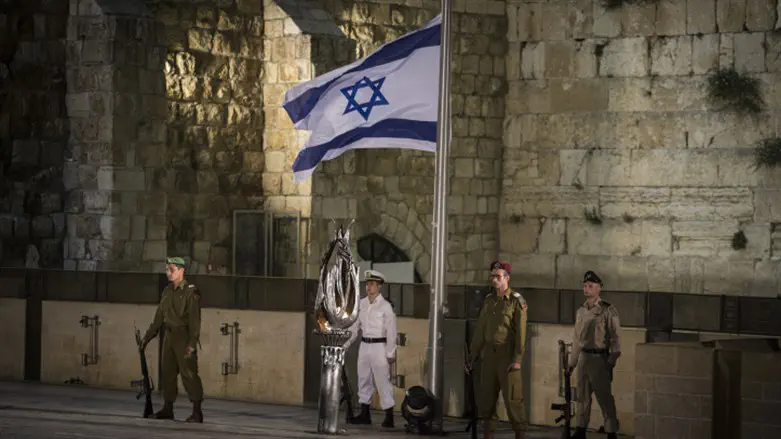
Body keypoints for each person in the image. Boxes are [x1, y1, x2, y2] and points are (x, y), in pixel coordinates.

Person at [466, 261, 528, 439]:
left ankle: (520, 434)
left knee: (513, 401)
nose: (494, 279)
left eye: (498, 276)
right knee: (487, 401)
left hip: (507, 355)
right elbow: (480, 330)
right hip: (488, 356)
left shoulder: (516, 301)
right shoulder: (488, 300)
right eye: (492, 276)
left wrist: (517, 358)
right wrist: (473, 355)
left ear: (507, 278)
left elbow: (521, 333)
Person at [141, 256, 205, 423]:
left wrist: (192, 343)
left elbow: (195, 321)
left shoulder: (191, 291)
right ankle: (168, 408)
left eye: (172, 270)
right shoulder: (167, 291)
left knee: (189, 373)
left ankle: (197, 411)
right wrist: (147, 338)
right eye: (167, 270)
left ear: (181, 271)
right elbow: (158, 318)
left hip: (183, 336)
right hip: (169, 336)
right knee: (167, 373)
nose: (169, 273)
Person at [567, 270, 621, 439]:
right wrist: (571, 363)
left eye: (590, 286)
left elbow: (615, 337)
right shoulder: (581, 311)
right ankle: (581, 429)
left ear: (598, 289)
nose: (586, 288)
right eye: (585, 285)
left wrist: (611, 361)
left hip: (599, 358)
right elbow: (577, 340)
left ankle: (611, 430)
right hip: (584, 357)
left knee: (604, 397)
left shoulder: (607, 310)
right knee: (582, 397)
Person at [344, 269, 397, 428]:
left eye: (372, 284)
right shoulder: (362, 303)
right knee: (363, 378)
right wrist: (345, 345)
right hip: (365, 345)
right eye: (367, 284)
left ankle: (389, 415)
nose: (369, 287)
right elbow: (355, 328)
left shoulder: (386, 306)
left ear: (379, 286)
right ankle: (365, 413)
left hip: (379, 346)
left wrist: (390, 352)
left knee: (382, 380)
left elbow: (391, 331)